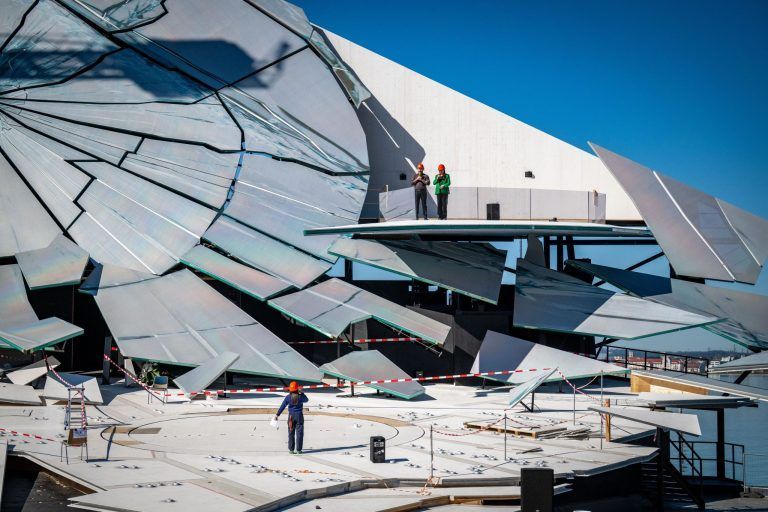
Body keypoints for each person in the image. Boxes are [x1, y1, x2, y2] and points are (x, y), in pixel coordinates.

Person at [274, 381, 308, 454]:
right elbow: (306, 400)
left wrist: (277, 414)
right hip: (299, 416)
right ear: (297, 388)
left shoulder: (288, 397)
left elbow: (282, 406)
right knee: (299, 433)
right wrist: (302, 393)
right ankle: (299, 450)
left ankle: (291, 449)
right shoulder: (300, 396)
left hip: (291, 416)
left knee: (291, 432)